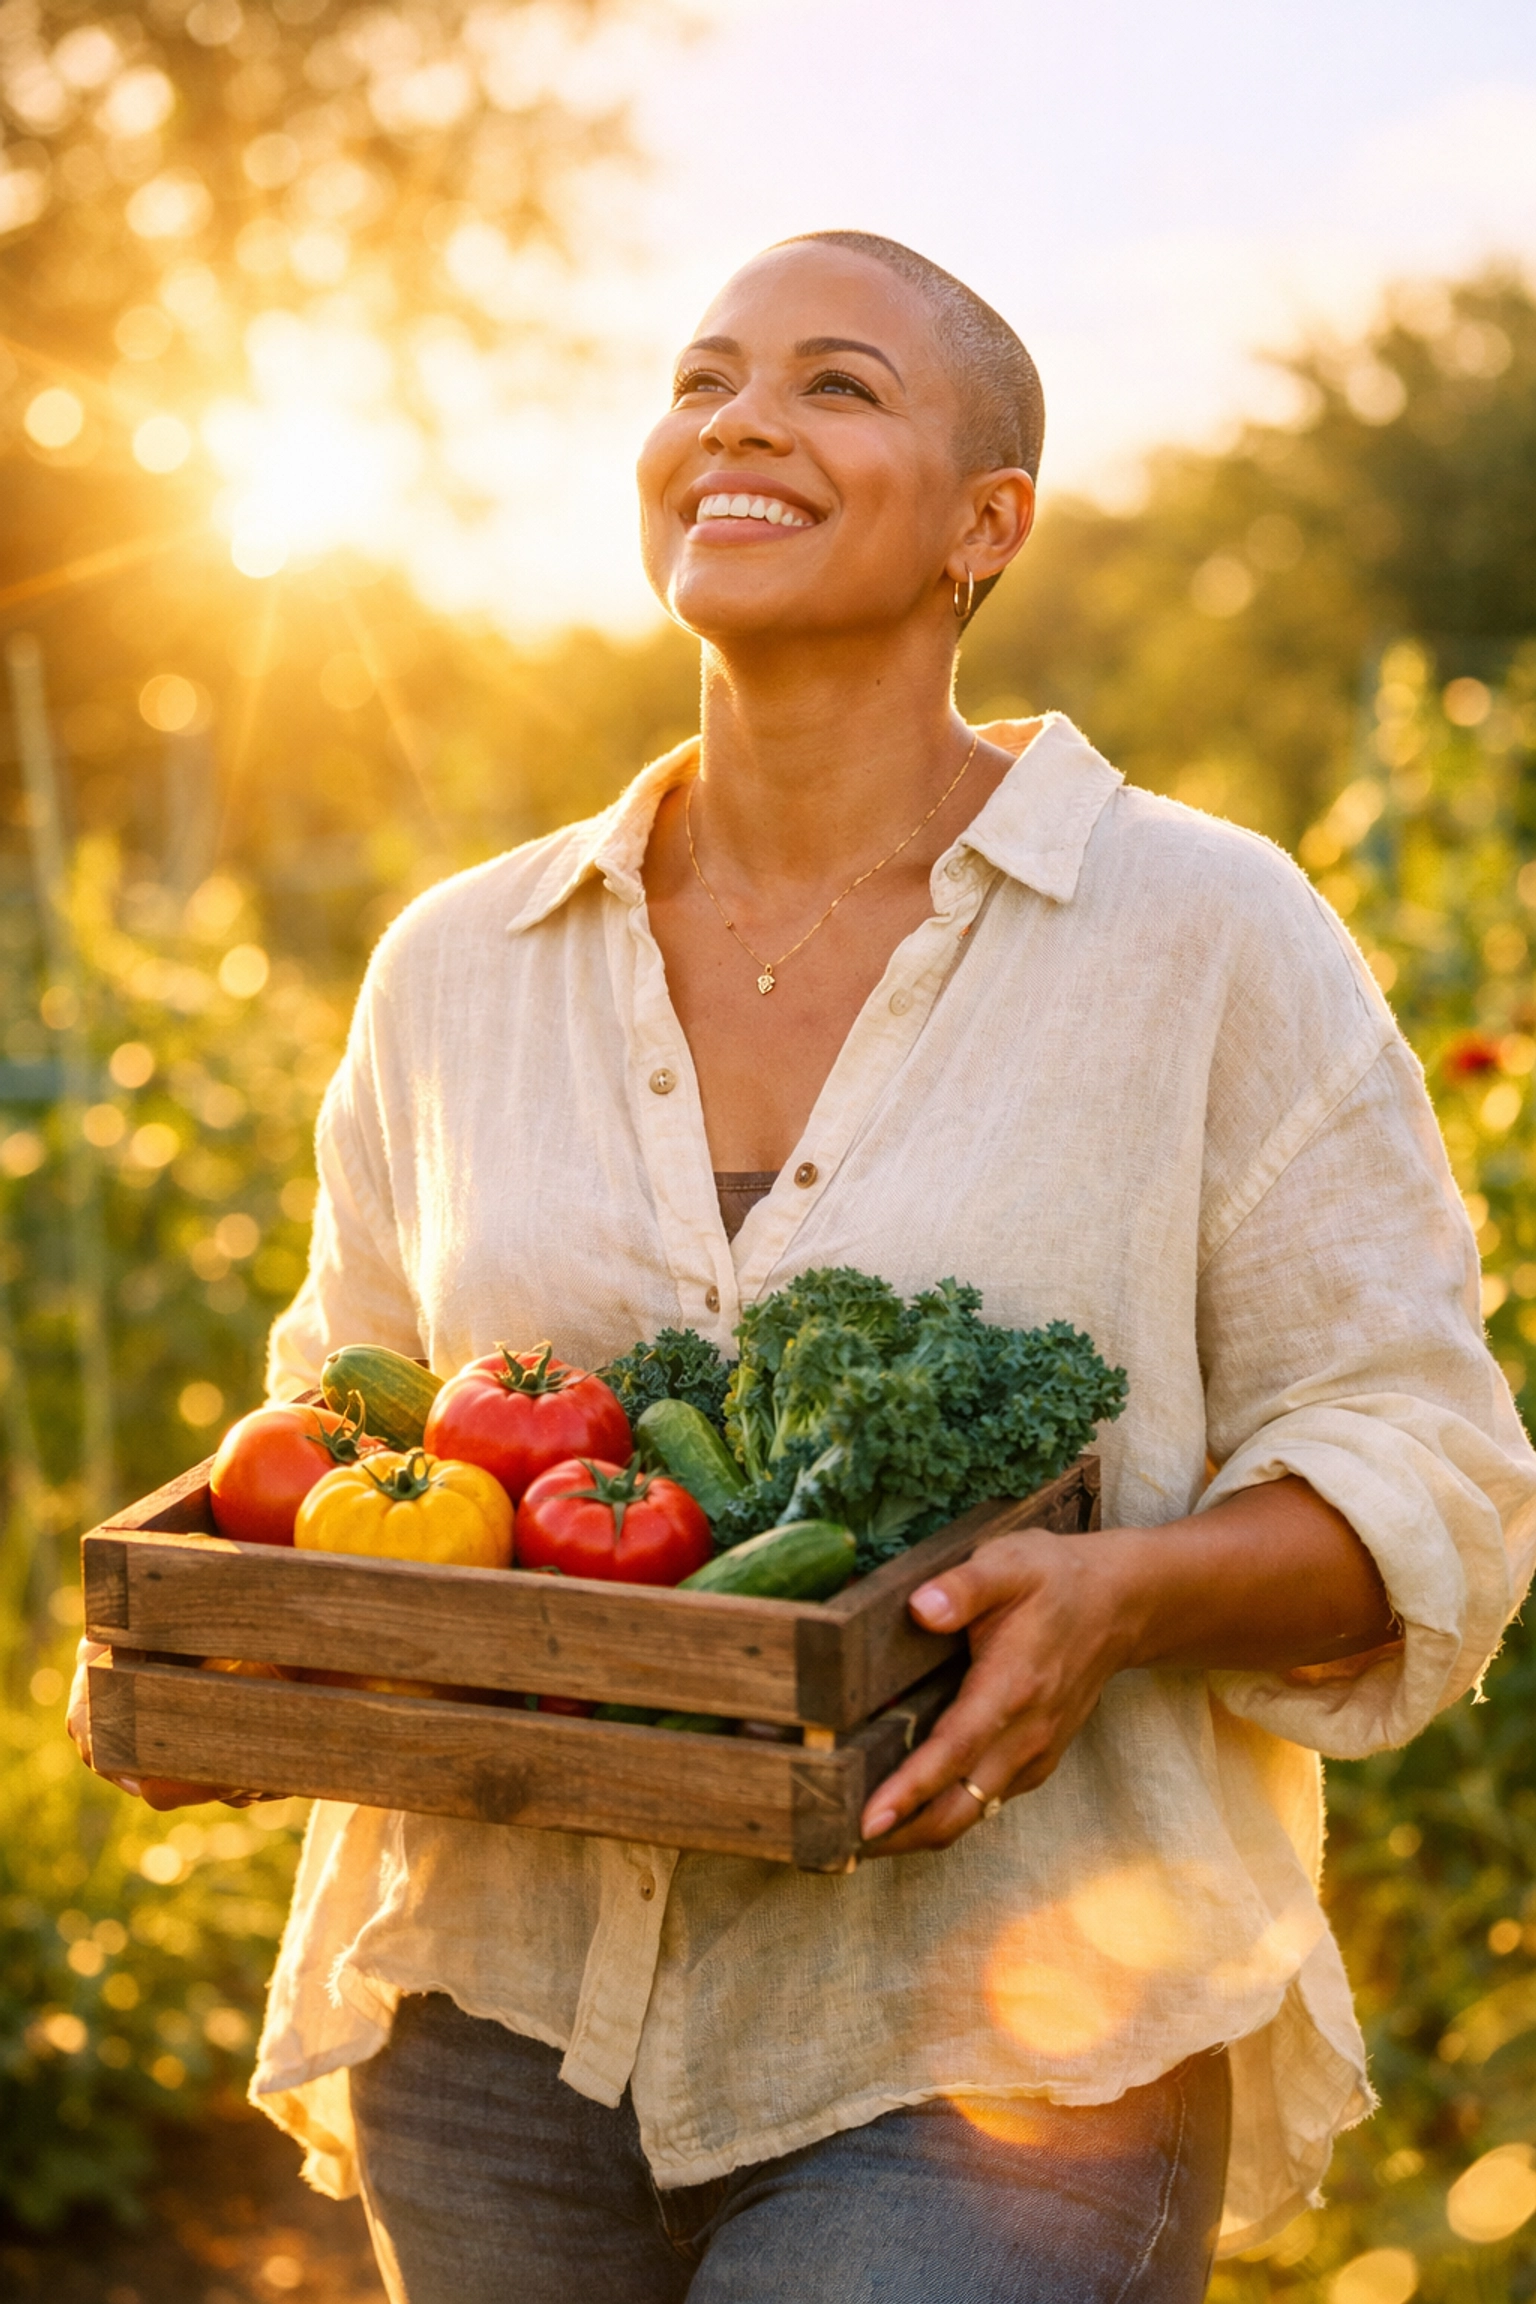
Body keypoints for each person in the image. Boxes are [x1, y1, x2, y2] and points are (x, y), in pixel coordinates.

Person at [75, 231, 1536, 2302]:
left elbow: (1428, 1454)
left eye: (838, 384)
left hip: (992, 2034)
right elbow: (341, 1412)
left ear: (986, 522)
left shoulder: (1197, 932)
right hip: (487, 2023)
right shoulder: (460, 965)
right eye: (701, 380)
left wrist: (1122, 1597)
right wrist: (236, 1654)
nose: (738, 419)